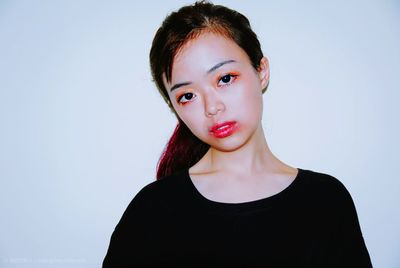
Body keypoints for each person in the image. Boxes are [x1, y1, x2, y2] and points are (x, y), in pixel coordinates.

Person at [103, 1, 372, 267]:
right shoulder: (152, 211)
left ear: (261, 71)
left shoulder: (325, 201)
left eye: (225, 78)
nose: (212, 107)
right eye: (187, 96)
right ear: (175, 106)